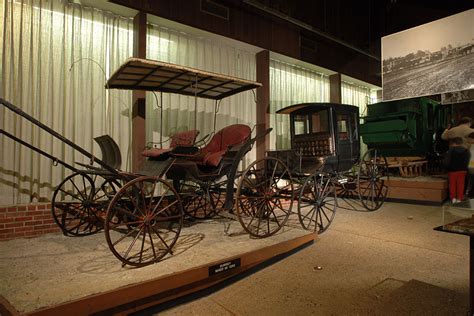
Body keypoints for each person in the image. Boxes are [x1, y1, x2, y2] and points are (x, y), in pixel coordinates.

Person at [445, 137, 470, 203]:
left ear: (454, 143)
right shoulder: (466, 151)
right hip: (463, 170)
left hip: (452, 171)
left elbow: (447, 161)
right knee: (461, 184)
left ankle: (453, 198)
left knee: (452, 184)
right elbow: (467, 161)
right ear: (461, 143)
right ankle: (459, 198)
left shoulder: (451, 150)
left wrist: (447, 168)